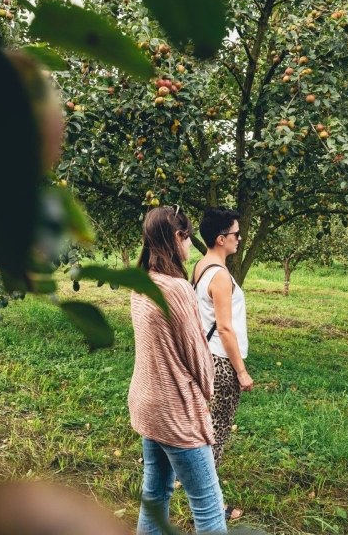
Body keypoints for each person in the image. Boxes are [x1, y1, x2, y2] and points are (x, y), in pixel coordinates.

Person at [128, 206, 226, 535]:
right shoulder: (177, 289)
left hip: (147, 402)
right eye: (187, 236)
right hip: (175, 411)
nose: (189, 244)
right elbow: (198, 357)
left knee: (154, 496)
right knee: (208, 503)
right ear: (175, 238)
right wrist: (208, 390)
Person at [192, 207, 253, 521]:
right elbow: (225, 327)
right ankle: (210, 506)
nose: (240, 239)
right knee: (215, 434)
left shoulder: (201, 266)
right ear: (220, 238)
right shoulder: (219, 275)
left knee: (207, 431)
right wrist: (240, 370)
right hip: (222, 363)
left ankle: (202, 494)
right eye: (235, 234)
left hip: (207, 358)